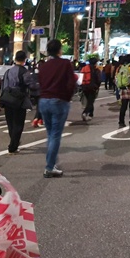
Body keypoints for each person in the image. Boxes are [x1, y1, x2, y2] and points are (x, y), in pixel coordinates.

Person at [38, 39, 77, 178]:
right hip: (58, 101)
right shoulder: (65, 63)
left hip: (43, 101)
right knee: (55, 135)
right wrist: (67, 97)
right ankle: (49, 167)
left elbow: (40, 83)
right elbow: (71, 83)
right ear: (60, 50)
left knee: (50, 134)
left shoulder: (44, 66)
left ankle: (52, 162)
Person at [1, 50, 30, 154]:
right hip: (19, 100)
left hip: (8, 99)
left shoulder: (8, 71)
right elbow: (28, 84)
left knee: (10, 122)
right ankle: (13, 145)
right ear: (24, 60)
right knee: (18, 123)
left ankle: (14, 142)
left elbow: (3, 85)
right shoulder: (25, 72)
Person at [79, 55, 101, 121]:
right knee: (90, 101)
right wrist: (97, 86)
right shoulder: (96, 70)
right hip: (92, 88)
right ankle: (85, 113)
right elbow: (99, 80)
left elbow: (80, 78)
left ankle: (91, 114)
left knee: (89, 101)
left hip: (85, 87)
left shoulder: (84, 68)